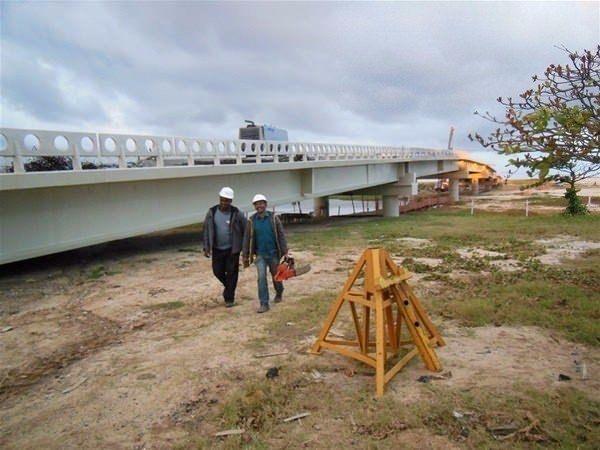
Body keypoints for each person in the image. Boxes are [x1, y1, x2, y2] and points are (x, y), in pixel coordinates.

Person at [242, 194, 288, 313]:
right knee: (261, 278)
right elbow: (247, 239)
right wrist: (245, 256)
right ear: (254, 206)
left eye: (261, 203)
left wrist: (285, 252)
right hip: (260, 255)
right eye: (257, 204)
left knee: (276, 276)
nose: (259, 206)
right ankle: (264, 303)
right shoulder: (251, 221)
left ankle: (279, 291)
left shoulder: (273, 218)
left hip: (273, 254)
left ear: (265, 204)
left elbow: (281, 235)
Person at [203, 187, 246, 307]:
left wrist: (245, 246)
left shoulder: (236, 213)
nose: (224, 203)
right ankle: (229, 287)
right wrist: (206, 247)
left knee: (232, 273)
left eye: (227, 200)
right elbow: (206, 230)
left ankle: (229, 299)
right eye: (222, 200)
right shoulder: (211, 212)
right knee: (217, 271)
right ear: (219, 199)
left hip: (232, 249)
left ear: (231, 201)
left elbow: (246, 229)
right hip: (217, 249)